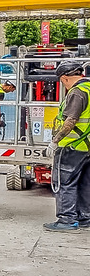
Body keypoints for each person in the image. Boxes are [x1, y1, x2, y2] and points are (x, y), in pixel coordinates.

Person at [42, 61, 90, 232]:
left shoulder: (77, 92)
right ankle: (85, 218)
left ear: (64, 78)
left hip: (71, 145)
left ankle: (67, 220)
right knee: (85, 182)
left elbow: (70, 121)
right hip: (87, 148)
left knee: (65, 182)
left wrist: (55, 142)